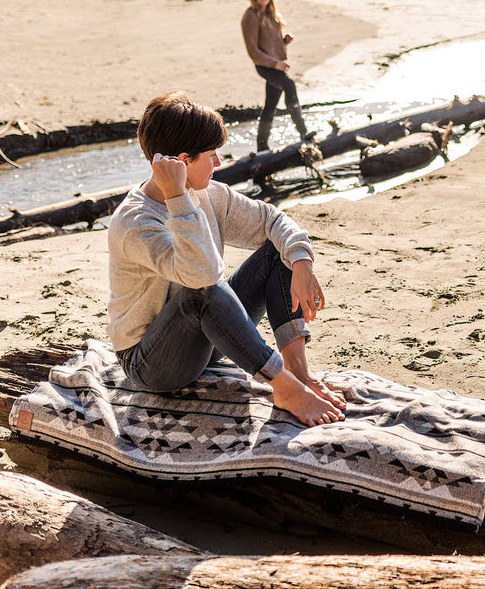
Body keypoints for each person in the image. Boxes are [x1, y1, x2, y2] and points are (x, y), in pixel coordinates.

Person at [107, 91, 345, 426]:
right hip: (152, 363)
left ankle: (298, 373)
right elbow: (202, 275)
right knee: (203, 291)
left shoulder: (209, 194)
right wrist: (177, 196)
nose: (219, 162)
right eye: (212, 155)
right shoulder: (136, 222)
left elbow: (272, 220)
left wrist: (302, 262)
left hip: (204, 344)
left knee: (279, 252)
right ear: (184, 160)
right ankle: (283, 386)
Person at [241, 0, 313, 152]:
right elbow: (254, 52)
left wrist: (284, 41)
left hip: (276, 64)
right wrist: (275, 64)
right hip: (266, 66)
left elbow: (269, 43)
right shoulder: (250, 16)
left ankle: (262, 146)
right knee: (289, 85)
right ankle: (304, 133)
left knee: (270, 105)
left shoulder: (270, 14)